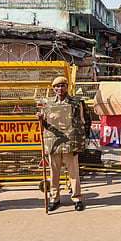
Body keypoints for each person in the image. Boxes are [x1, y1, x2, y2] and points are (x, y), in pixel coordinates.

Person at [36, 76, 86, 212]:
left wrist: (80, 143)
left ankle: (77, 198)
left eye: (62, 86)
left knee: (73, 172)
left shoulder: (76, 102)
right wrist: (40, 118)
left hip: (71, 142)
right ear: (53, 89)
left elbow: (83, 122)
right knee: (54, 172)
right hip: (54, 142)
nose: (60, 89)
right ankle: (54, 198)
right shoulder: (47, 103)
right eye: (57, 87)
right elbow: (45, 124)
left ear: (67, 87)